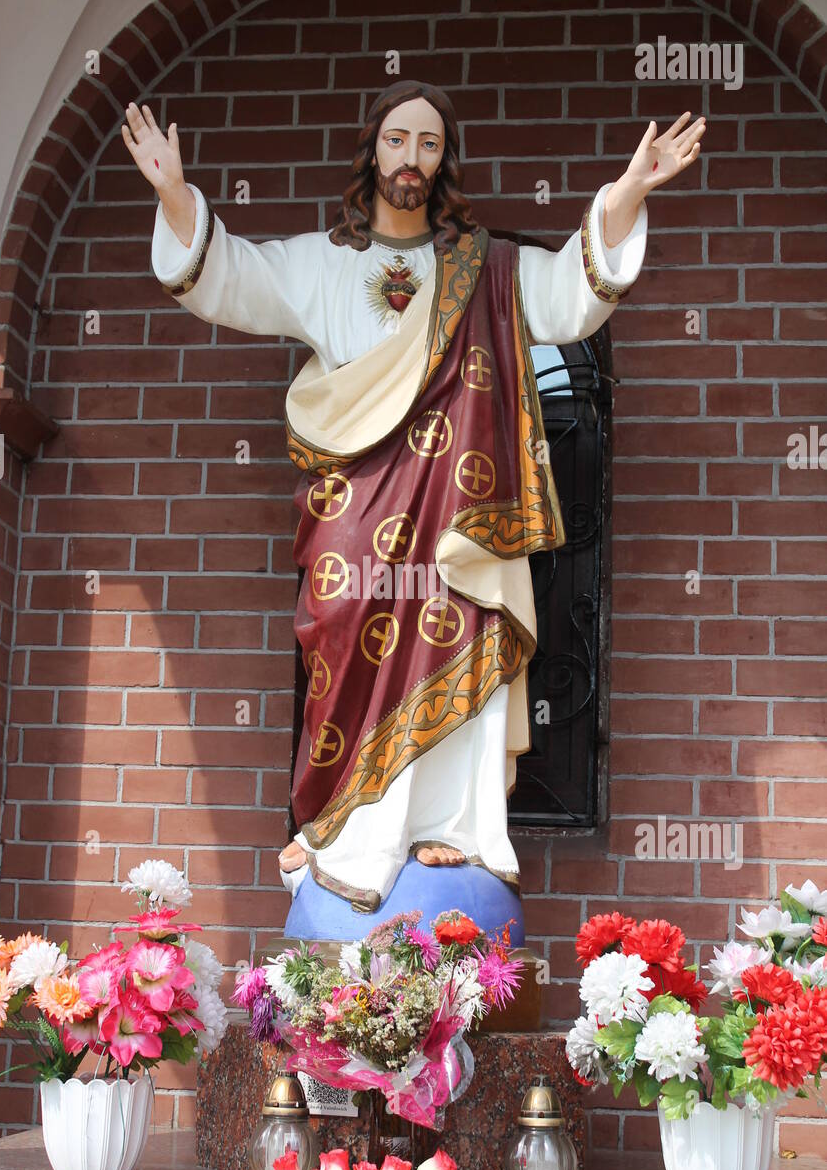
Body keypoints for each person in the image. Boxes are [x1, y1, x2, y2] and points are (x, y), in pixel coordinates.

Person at [123, 81, 705, 941]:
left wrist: (623, 198)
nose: (411, 160)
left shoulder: (487, 267)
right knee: (345, 638)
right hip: (354, 517)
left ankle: (451, 830)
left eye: (429, 145)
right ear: (373, 151)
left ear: (444, 162)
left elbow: (565, 297)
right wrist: (176, 195)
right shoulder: (321, 263)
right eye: (398, 140)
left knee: (460, 643)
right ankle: (354, 833)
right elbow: (232, 279)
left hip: (456, 521)